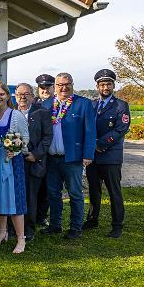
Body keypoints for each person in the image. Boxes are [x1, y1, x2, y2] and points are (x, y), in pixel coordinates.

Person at [41, 73, 96, 239]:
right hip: (51, 158)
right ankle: (55, 225)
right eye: (60, 85)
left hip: (72, 158)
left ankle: (76, 227)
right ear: (55, 87)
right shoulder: (47, 104)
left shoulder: (84, 104)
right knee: (53, 194)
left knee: (75, 194)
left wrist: (88, 154)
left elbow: (90, 131)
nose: (63, 88)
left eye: (67, 84)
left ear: (72, 84)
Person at [84, 69, 130, 238]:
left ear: (113, 85)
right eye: (102, 84)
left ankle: (117, 225)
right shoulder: (92, 105)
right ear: (97, 86)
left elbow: (120, 130)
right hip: (93, 157)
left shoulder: (121, 106)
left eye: (108, 84)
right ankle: (92, 219)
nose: (105, 87)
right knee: (94, 190)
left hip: (110, 156)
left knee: (114, 192)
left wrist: (99, 144)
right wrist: (90, 147)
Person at [0, 86, 29, 254]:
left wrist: (16, 150)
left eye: (1, 94)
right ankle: (2, 232)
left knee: (15, 198)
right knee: (0, 195)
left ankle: (21, 238)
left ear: (8, 96)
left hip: (12, 161)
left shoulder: (16, 115)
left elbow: (25, 138)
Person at [15, 83, 53, 242]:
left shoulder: (42, 113)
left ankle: (28, 229)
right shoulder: (11, 112)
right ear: (15, 96)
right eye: (19, 94)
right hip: (13, 161)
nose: (22, 97)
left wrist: (36, 155)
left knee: (30, 197)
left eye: (26, 94)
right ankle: (12, 227)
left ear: (32, 95)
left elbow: (47, 137)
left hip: (32, 161)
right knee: (15, 195)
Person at [33, 74, 56, 226]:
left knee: (48, 188)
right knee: (35, 187)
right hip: (35, 151)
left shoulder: (57, 104)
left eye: (48, 87)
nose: (45, 90)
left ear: (54, 88)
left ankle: (42, 216)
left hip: (50, 151)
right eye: (42, 87)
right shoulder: (32, 103)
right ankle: (33, 215)